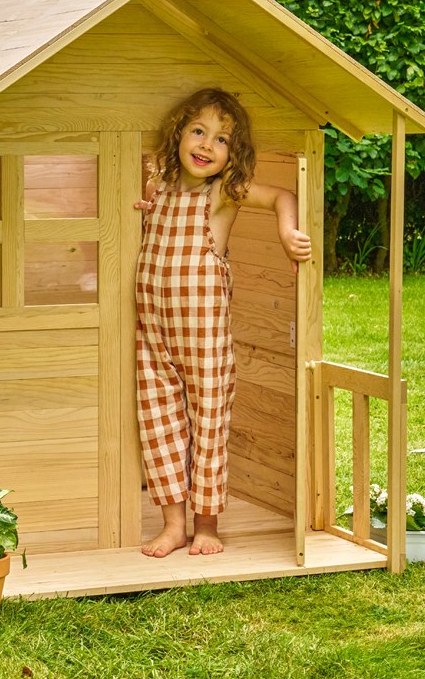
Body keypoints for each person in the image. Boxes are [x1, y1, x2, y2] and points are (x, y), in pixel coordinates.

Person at [135, 88, 312, 558]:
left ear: (233, 154)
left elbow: (283, 195)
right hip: (153, 331)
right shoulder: (157, 187)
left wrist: (287, 231)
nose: (206, 145)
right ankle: (173, 525)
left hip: (205, 335)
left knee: (208, 422)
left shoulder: (222, 192)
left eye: (222, 139)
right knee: (159, 422)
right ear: (178, 133)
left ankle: (207, 525)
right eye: (198, 131)